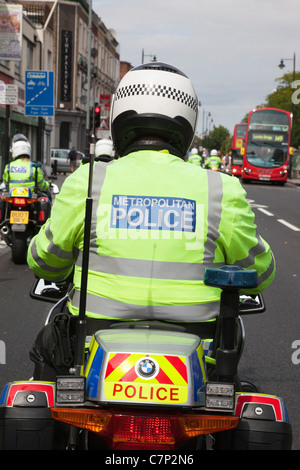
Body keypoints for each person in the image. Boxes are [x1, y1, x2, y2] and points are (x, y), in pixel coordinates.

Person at [27, 62, 275, 380]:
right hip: (200, 349)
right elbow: (261, 272)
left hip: (90, 345)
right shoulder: (220, 188)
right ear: (188, 123)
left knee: (46, 365)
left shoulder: (88, 180)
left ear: (119, 117)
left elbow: (43, 261)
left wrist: (59, 269)